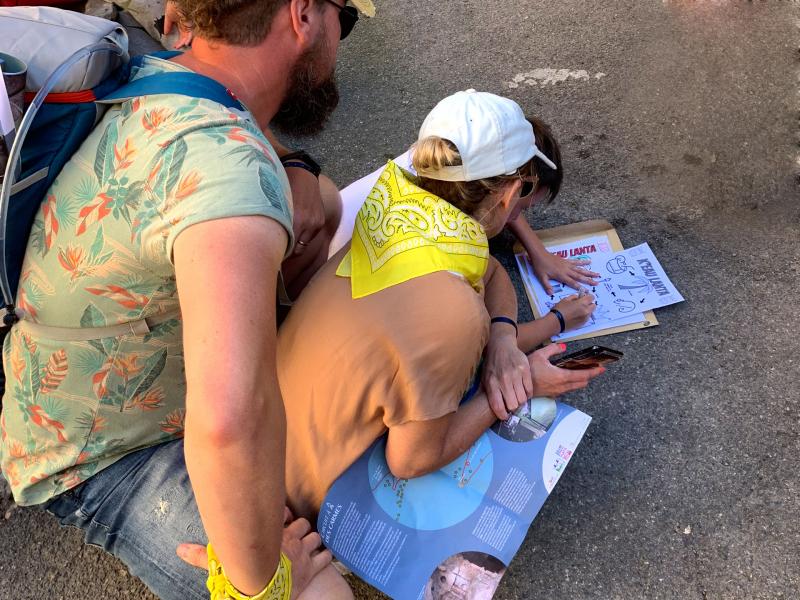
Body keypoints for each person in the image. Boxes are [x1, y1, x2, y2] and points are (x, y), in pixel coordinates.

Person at [0, 1, 374, 598]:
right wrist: (262, 580)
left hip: (96, 366)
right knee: (318, 592)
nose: (338, 42)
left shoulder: (169, 70)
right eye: (343, 21)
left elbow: (255, 161)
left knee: (322, 199)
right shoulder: (234, 181)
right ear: (303, 15)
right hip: (103, 450)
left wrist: (298, 167)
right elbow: (228, 424)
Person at [275, 90, 606, 523]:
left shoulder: (395, 214)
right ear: (509, 195)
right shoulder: (456, 314)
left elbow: (492, 271)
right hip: (305, 510)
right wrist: (521, 385)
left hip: (269, 444)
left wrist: (504, 341)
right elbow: (410, 461)